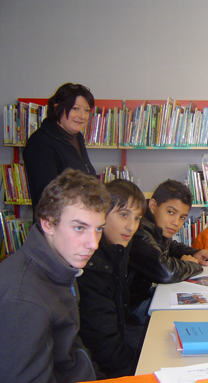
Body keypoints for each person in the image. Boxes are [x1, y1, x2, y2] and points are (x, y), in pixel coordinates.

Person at [0, 169, 110, 382]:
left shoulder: (61, 265)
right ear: (48, 223)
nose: (94, 244)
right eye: (80, 228)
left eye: (98, 229)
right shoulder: (23, 299)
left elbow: (72, 349)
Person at [77, 179, 147, 378]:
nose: (131, 226)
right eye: (124, 214)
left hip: (118, 339)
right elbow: (105, 351)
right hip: (102, 364)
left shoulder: (117, 249)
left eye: (137, 218)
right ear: (101, 214)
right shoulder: (90, 267)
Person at [128, 179, 208, 321]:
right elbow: (167, 272)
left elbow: (170, 246)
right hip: (133, 308)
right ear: (153, 206)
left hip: (145, 295)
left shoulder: (154, 226)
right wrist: (191, 264)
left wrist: (194, 252)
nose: (176, 223)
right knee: (194, 312)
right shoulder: (139, 231)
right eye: (170, 212)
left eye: (182, 217)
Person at [23, 82, 96, 213]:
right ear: (57, 109)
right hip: (57, 224)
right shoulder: (40, 143)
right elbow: (47, 197)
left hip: (81, 218)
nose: (82, 116)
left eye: (86, 110)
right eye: (75, 108)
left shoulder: (76, 137)